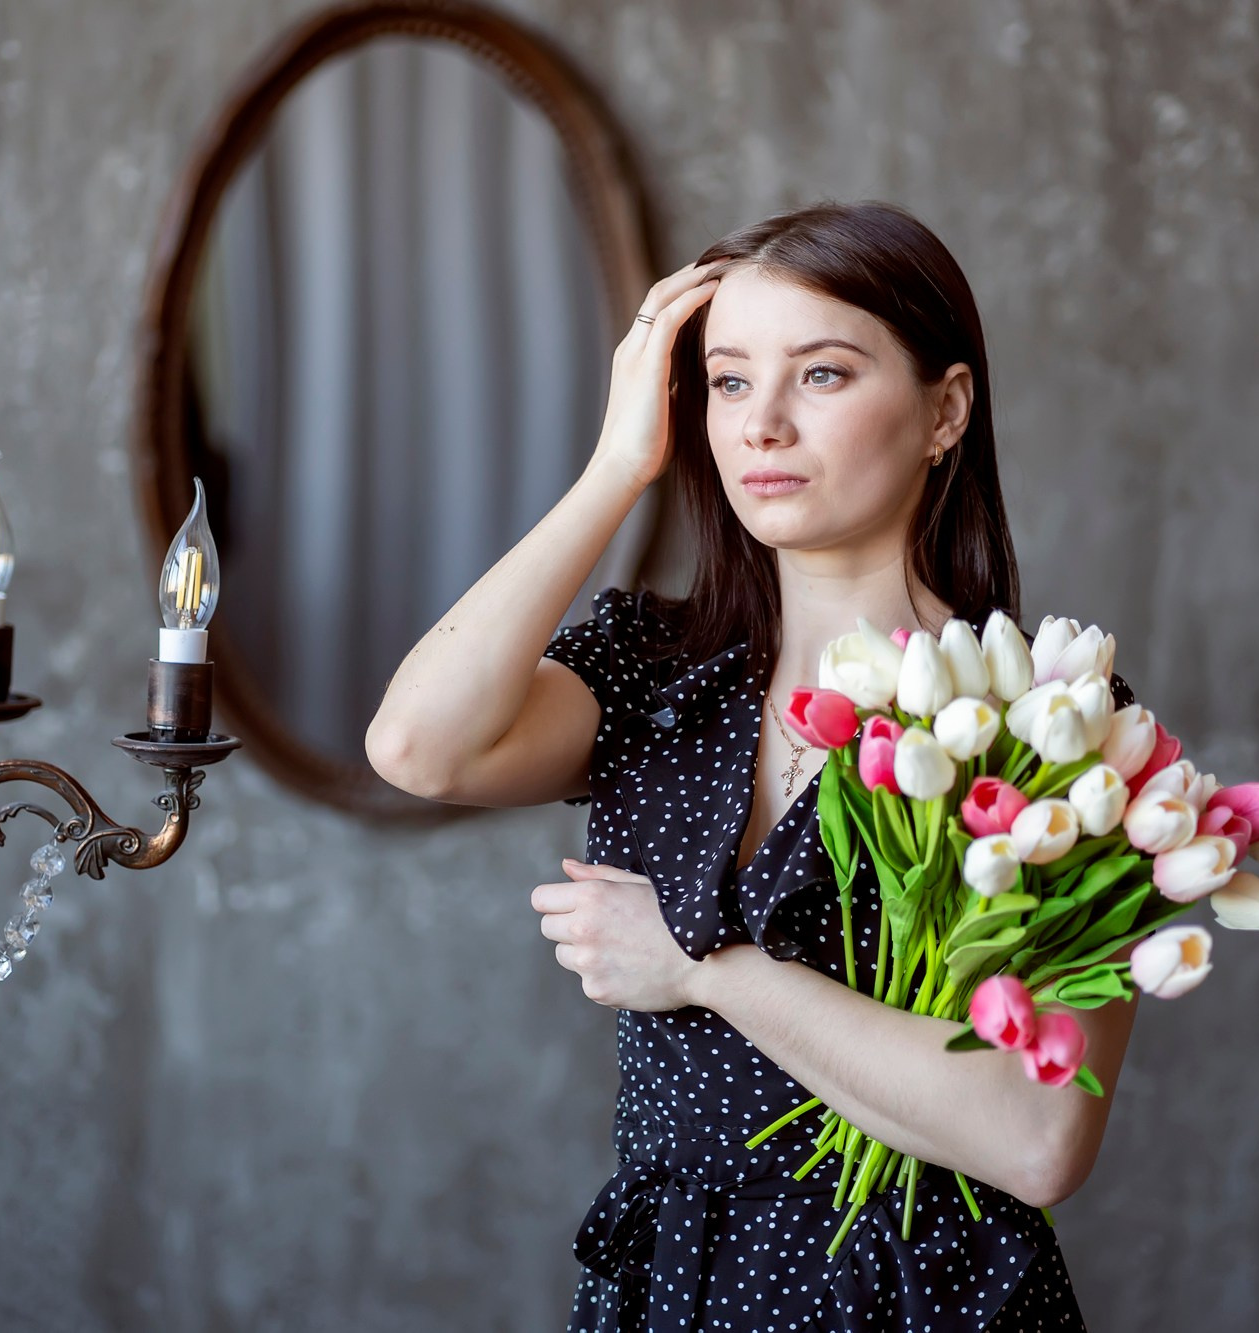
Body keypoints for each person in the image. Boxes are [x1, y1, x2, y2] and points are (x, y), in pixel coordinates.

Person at [366, 200, 1138, 1330]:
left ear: (944, 409)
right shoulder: (652, 673)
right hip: (666, 1294)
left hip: (930, 1302)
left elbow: (1035, 1135)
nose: (760, 424)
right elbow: (418, 747)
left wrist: (704, 968)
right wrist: (616, 468)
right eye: (727, 381)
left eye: (820, 374)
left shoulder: (1052, 722)